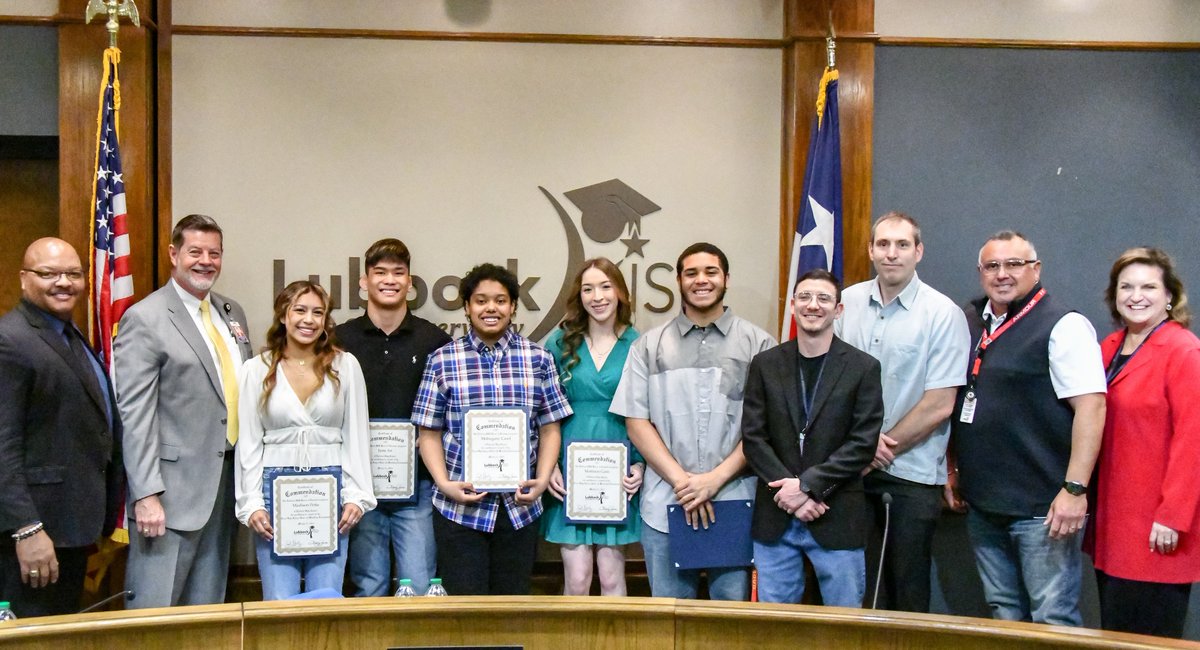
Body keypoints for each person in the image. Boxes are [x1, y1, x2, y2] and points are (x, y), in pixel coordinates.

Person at [950, 230, 1106, 626]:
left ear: (1035, 269)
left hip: (1043, 509)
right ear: (981, 272)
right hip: (983, 503)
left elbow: (1092, 407)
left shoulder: (1063, 325)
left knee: (1052, 618)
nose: (1002, 274)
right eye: (992, 266)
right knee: (1004, 616)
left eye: (1014, 264)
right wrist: (953, 470)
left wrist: (1074, 489)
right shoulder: (970, 319)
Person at [610, 242, 776, 601]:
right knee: (668, 625)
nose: (702, 280)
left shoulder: (759, 344)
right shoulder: (649, 347)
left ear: (726, 279)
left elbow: (764, 429)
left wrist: (714, 480)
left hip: (734, 502)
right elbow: (637, 422)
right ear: (679, 280)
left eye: (711, 272)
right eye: (692, 273)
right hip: (666, 502)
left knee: (729, 627)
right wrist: (684, 482)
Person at [115, 214, 254, 608]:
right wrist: (146, 494)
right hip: (170, 494)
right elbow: (136, 416)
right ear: (174, 254)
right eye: (195, 252)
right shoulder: (145, 318)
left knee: (208, 610)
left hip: (225, 483)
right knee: (154, 613)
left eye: (214, 253)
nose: (205, 261)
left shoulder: (232, 312)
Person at [835, 212, 970, 612]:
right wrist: (860, 448)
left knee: (905, 594)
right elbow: (829, 382)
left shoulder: (942, 314)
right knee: (857, 590)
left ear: (919, 251)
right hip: (848, 477)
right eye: (883, 244)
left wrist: (877, 446)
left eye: (902, 245)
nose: (891, 253)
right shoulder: (846, 302)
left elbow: (939, 403)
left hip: (909, 478)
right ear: (871, 250)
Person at [411, 263, 571, 595]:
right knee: (465, 614)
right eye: (481, 300)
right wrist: (444, 483)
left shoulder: (537, 358)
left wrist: (542, 480)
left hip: (519, 509)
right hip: (459, 509)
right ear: (467, 307)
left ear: (513, 306)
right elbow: (428, 432)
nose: (491, 308)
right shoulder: (443, 360)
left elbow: (550, 427)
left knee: (511, 610)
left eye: (500, 300)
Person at [743, 269, 883, 606]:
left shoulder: (863, 367)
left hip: (835, 515)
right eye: (804, 297)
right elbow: (753, 438)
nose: (813, 305)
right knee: (774, 633)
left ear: (838, 310)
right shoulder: (765, 364)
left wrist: (807, 487)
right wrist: (789, 491)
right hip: (775, 519)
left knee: (843, 631)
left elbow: (862, 443)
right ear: (793, 306)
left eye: (823, 298)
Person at [0, 238, 123, 617]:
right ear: (24, 279)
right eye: (48, 273)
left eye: (73, 273)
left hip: (70, 528)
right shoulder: (11, 340)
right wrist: (27, 530)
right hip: (35, 534)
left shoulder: (66, 332)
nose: (63, 282)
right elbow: (3, 446)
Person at [235, 280, 375, 600]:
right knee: (278, 603)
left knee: (325, 600)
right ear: (283, 314)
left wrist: (356, 495)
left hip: (332, 494)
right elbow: (250, 443)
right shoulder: (256, 370)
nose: (308, 320)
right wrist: (251, 503)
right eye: (300, 310)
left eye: (318, 312)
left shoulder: (345, 366)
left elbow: (356, 436)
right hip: (273, 494)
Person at [1087, 247, 1200, 638]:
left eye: (1149, 286)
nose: (1137, 295)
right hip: (1113, 525)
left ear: (1170, 296)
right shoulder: (1109, 348)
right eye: (1127, 286)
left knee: (1149, 639)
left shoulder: (1183, 351)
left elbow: (1194, 440)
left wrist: (1173, 515)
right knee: (1115, 633)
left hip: (1158, 529)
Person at [337, 239, 451, 597]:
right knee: (368, 586)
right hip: (360, 486)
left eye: (398, 273)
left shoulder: (434, 340)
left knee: (418, 585)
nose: (390, 280)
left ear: (410, 281)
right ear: (363, 281)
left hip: (417, 487)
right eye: (380, 272)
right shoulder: (340, 339)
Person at [542, 258, 644, 596]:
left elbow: (651, 412)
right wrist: (548, 467)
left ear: (620, 293)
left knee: (613, 578)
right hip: (568, 466)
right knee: (577, 577)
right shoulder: (559, 344)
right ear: (579, 296)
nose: (597, 296)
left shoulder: (639, 345)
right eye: (588, 289)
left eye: (605, 286)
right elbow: (542, 411)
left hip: (620, 467)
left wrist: (642, 464)